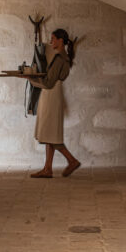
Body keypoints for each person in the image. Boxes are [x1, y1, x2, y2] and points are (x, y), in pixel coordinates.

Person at [28, 28, 81, 178]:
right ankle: (47, 169)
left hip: (51, 95)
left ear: (60, 40)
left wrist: (31, 79)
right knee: (49, 132)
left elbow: (48, 83)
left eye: (53, 39)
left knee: (50, 134)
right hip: (52, 95)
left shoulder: (59, 59)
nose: (51, 41)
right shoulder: (64, 57)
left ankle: (72, 161)